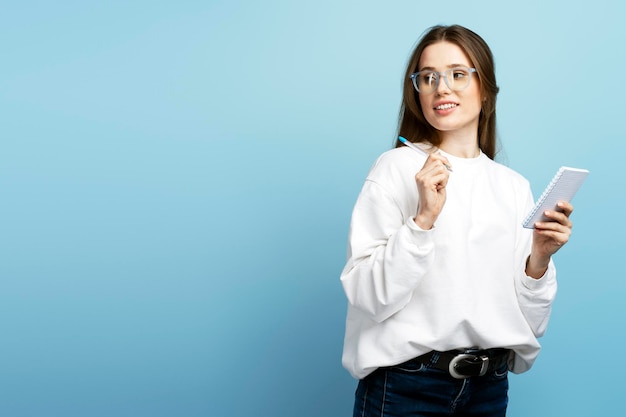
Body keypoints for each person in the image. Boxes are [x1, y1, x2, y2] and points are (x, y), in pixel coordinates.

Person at [340, 24, 574, 417]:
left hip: (488, 390)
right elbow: (367, 297)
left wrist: (539, 261)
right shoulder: (396, 168)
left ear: (487, 88)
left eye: (457, 74)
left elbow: (530, 324)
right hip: (406, 388)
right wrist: (423, 221)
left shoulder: (513, 186)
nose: (440, 88)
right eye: (428, 77)